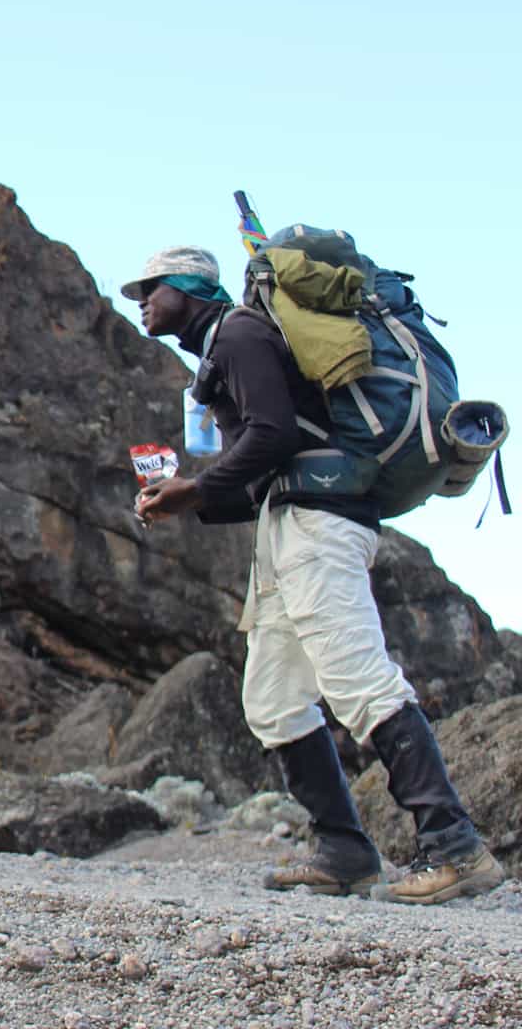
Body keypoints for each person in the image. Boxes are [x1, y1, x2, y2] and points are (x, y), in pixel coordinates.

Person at [128, 245, 505, 905]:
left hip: (320, 525)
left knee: (360, 680)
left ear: (187, 288)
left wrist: (191, 490)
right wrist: (192, 498)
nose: (141, 300)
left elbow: (271, 435)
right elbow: (275, 452)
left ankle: (456, 847)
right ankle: (343, 853)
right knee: (272, 700)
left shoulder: (239, 332)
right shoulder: (227, 346)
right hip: (291, 524)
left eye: (151, 288)